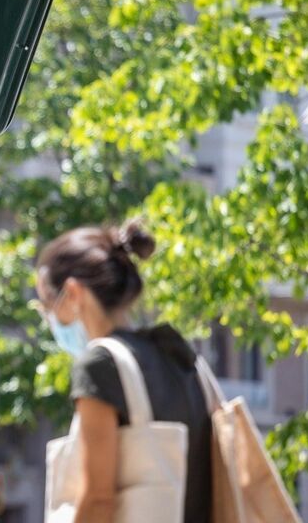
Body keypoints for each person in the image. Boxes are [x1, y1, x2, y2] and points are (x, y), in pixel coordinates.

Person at [36, 221, 212, 523]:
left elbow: (98, 501)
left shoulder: (100, 364)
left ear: (74, 292)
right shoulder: (180, 356)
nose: (48, 319)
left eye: (47, 306)